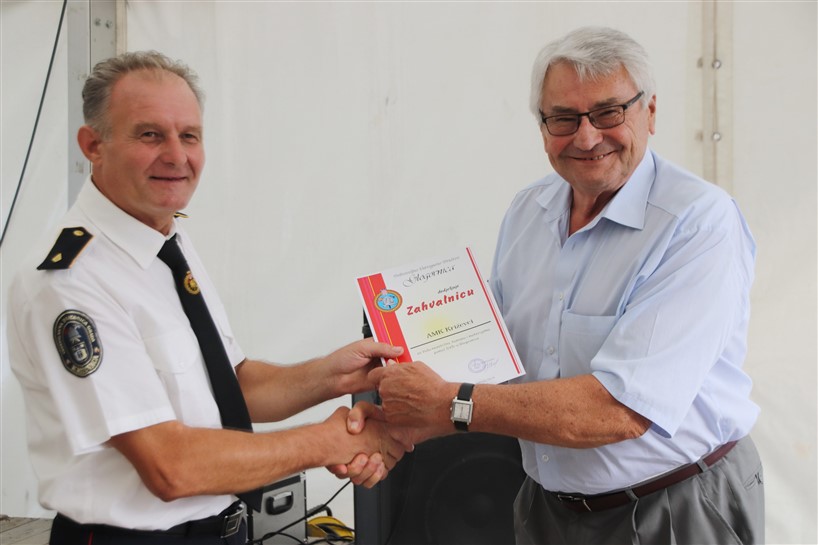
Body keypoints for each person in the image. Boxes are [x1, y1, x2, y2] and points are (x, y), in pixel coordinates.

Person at [352, 26, 764, 544]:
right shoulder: (529, 210)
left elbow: (621, 409)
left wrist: (449, 403)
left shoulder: (698, 223)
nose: (586, 138)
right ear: (542, 124)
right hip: (546, 509)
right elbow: (496, 362)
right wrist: (397, 422)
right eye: (564, 118)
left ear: (651, 112)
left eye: (609, 112)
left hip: (675, 505)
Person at [7, 51, 408, 545]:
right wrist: (329, 441)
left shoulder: (166, 240)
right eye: (150, 134)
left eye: (190, 136)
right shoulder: (71, 279)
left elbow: (231, 387)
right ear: (93, 145)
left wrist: (336, 376)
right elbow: (169, 465)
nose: (177, 156)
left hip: (220, 530)